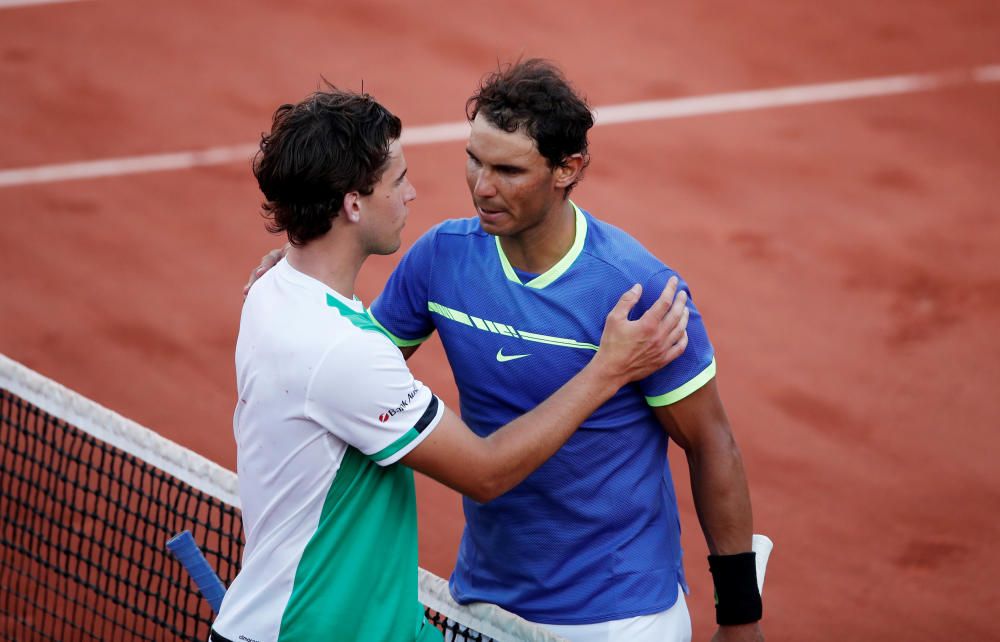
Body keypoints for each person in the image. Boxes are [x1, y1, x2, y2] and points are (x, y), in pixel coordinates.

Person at [247, 60, 763, 642]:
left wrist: (740, 617)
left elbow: (710, 440)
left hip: (617, 616)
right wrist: (301, 280)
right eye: (474, 159)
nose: (482, 187)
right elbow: (359, 364)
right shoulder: (440, 259)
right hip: (485, 602)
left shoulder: (635, 292)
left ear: (567, 169)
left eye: (508, 169)